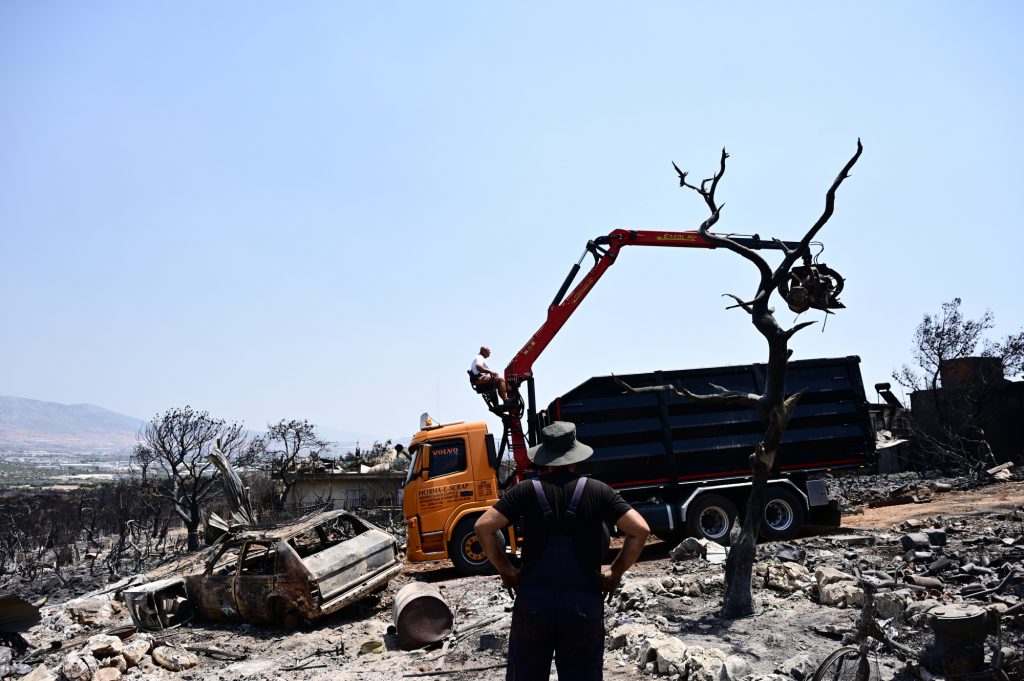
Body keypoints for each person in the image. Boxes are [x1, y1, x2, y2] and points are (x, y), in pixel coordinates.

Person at [475, 421, 651, 681]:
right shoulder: (598, 491)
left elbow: (483, 527)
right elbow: (640, 530)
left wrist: (507, 570)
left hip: (533, 605)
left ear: (544, 456)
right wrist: (614, 573)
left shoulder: (524, 491)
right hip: (582, 606)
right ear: (575, 455)